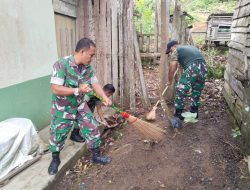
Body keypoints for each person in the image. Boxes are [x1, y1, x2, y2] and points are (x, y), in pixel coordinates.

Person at [48, 38, 112, 175]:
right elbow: (56, 88)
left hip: (80, 105)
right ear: (82, 51)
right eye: (91, 54)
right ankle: (55, 159)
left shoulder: (87, 68)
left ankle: (96, 156)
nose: (92, 58)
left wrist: (105, 97)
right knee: (57, 135)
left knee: (92, 127)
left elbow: (95, 84)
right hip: (62, 108)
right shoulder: (61, 64)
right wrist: (78, 90)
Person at [166, 40, 207, 128]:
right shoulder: (190, 47)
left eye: (170, 51)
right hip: (204, 67)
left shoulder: (176, 50)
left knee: (181, 89)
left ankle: (178, 116)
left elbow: (172, 68)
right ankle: (194, 113)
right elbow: (193, 59)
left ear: (173, 47)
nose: (171, 53)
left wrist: (169, 80)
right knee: (196, 91)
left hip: (193, 67)